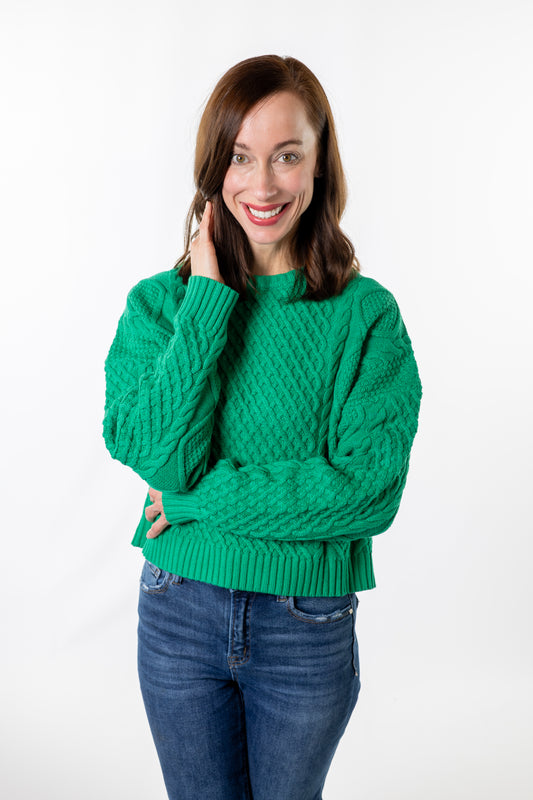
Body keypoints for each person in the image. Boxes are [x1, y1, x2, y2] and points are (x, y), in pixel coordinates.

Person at [103, 54, 422, 800]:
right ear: (214, 168)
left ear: (320, 163)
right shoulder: (160, 306)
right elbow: (155, 455)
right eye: (241, 157)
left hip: (303, 628)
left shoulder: (366, 317)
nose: (264, 185)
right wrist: (208, 301)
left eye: (287, 155)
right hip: (178, 612)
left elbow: (367, 493)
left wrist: (193, 503)